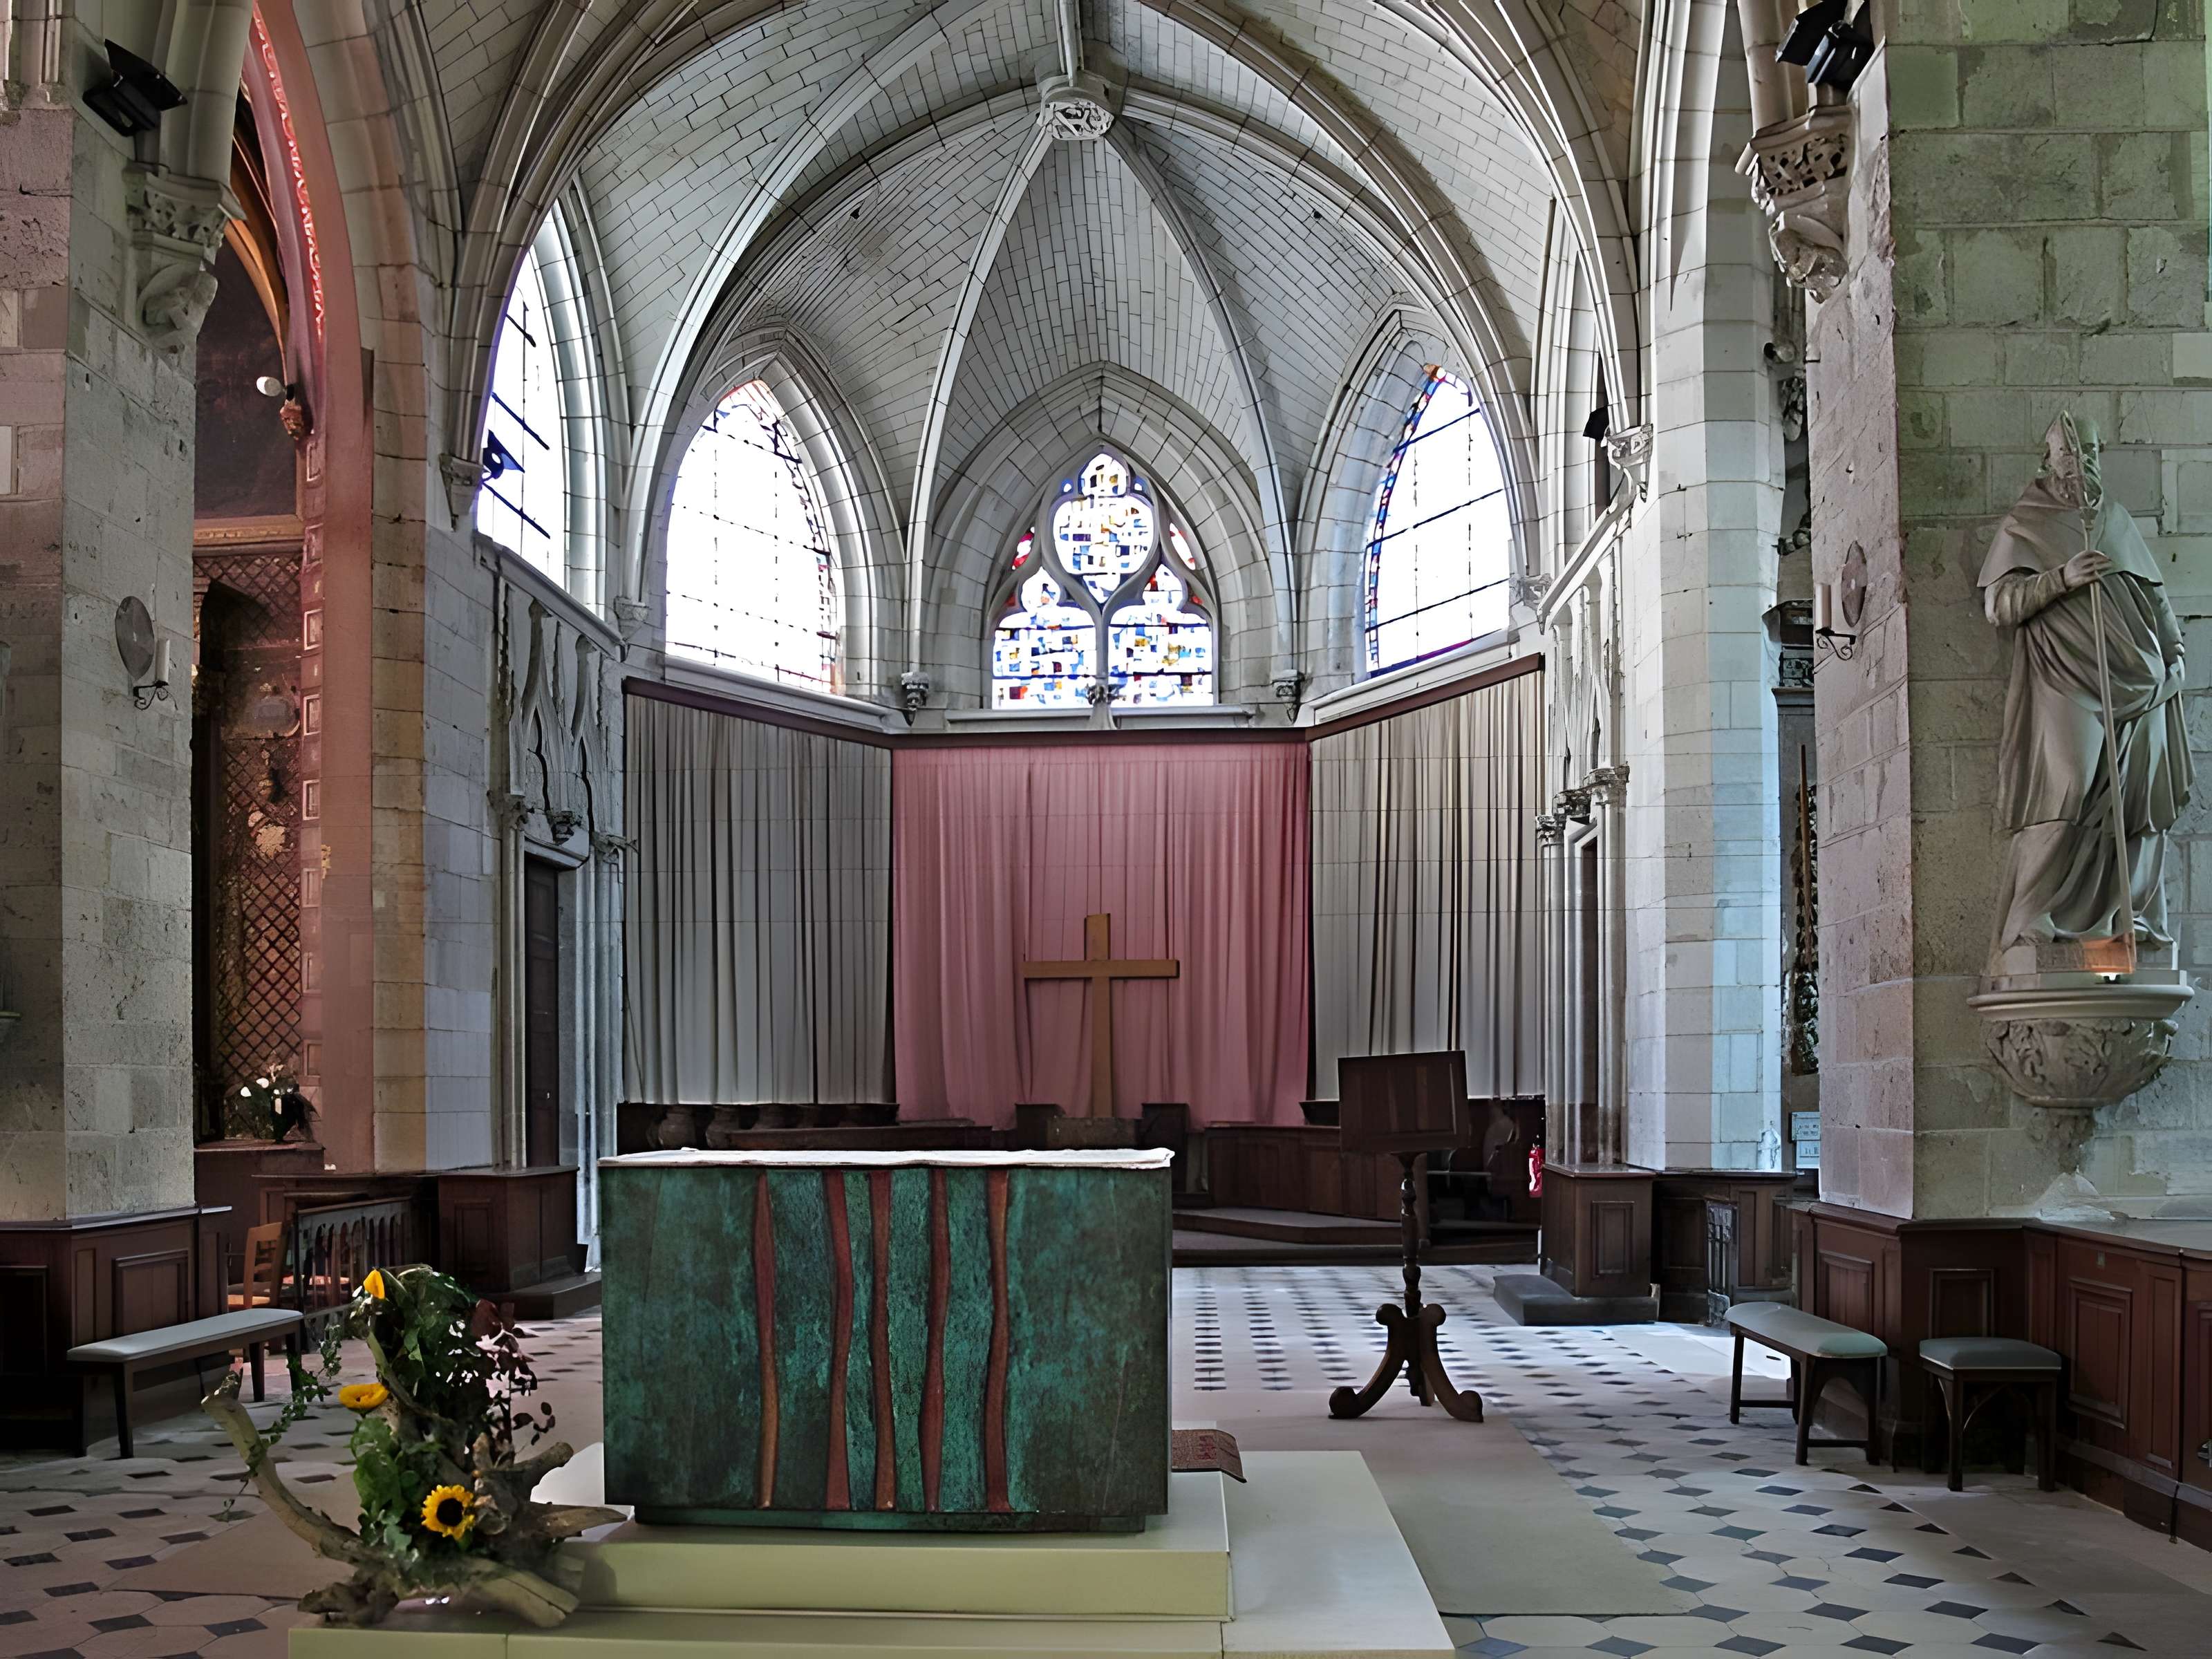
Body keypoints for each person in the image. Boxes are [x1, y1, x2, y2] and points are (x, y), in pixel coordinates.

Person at [1979, 415, 2191, 960]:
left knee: (2137, 796)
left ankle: (2129, 918)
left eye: (2090, 451)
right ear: (2047, 458)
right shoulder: (2024, 523)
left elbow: (2152, 593)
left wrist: (2175, 652)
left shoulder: (2114, 517)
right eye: (2069, 453)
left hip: (2139, 678)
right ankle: (2028, 922)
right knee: (2066, 785)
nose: (2081, 462)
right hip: (2065, 674)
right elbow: (2000, 606)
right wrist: (2061, 579)